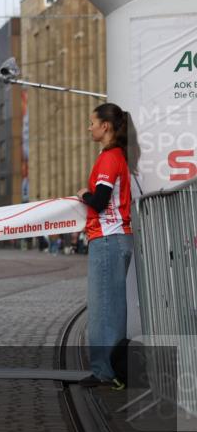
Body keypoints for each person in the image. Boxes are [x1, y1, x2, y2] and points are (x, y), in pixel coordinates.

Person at [77, 102, 133, 390]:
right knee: (112, 308)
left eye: (92, 123)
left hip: (108, 238)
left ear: (105, 126)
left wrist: (83, 194)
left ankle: (105, 372)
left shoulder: (109, 158)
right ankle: (113, 369)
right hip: (115, 238)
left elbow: (99, 200)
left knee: (103, 309)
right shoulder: (116, 156)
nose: (89, 128)